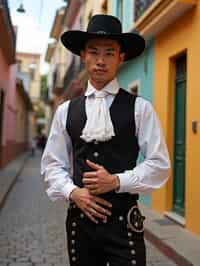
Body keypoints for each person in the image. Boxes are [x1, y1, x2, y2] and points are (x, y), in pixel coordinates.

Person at [41, 14, 171, 266]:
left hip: (124, 224)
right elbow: (52, 164)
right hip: (80, 225)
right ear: (83, 55)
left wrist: (116, 181)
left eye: (109, 53)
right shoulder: (65, 111)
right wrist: (73, 192)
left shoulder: (140, 108)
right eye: (94, 52)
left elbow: (160, 164)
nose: (101, 61)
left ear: (121, 57)